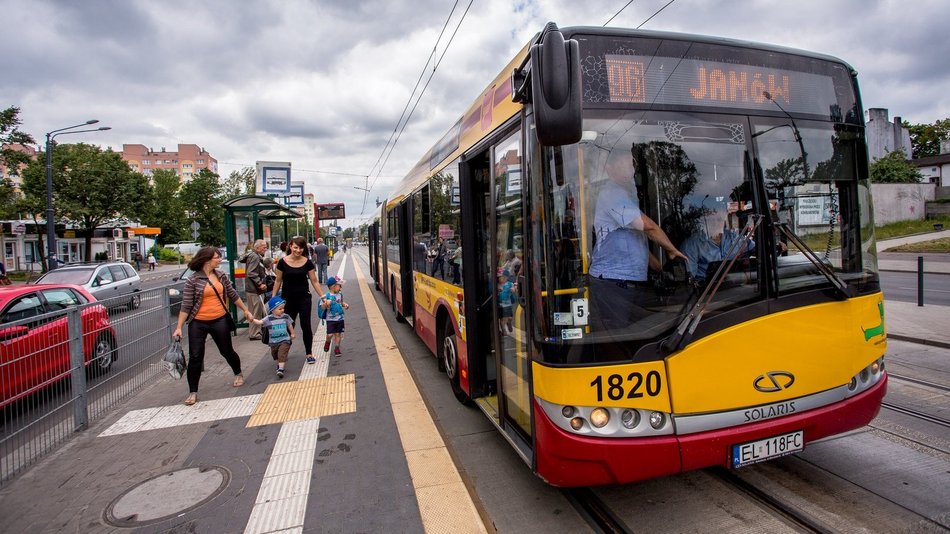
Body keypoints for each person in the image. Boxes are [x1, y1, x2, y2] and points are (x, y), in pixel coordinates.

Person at [588, 149, 687, 331]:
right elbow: (648, 226)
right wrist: (671, 250)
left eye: (631, 165)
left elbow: (634, 240)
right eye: (625, 165)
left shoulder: (627, 195)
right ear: (610, 169)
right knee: (621, 337)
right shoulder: (611, 194)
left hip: (628, 282)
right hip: (613, 282)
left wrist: (659, 269)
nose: (631, 170)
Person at [172, 246, 255, 406]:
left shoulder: (221, 276)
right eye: (217, 257)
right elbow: (186, 305)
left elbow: (232, 294)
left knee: (227, 351)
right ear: (207, 259)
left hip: (219, 319)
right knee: (195, 357)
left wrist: (245, 310)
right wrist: (179, 327)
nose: (219, 260)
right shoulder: (193, 280)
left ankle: (238, 373)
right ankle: (193, 391)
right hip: (198, 322)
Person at [272, 236, 325, 364]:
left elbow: (314, 281)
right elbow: (278, 280)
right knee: (288, 326)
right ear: (290, 246)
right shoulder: (282, 262)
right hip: (287, 299)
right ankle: (282, 353)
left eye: (301, 248)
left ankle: (309, 353)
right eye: (296, 247)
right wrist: (273, 299)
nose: (298, 250)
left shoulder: (307, 262)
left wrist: (323, 296)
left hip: (304, 298)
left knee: (306, 325)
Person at [680, 208, 753, 283]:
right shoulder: (691, 245)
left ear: (724, 221)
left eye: (719, 219)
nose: (716, 224)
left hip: (736, 286)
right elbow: (690, 280)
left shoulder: (733, 237)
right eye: (711, 220)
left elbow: (754, 249)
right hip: (707, 289)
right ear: (704, 221)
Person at [262, 295, 295, 379]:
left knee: (282, 353)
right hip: (273, 342)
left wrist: (292, 333)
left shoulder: (285, 316)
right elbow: (260, 322)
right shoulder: (269, 318)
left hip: (284, 339)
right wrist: (252, 320)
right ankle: (279, 364)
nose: (282, 310)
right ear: (273, 310)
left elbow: (290, 325)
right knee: (275, 354)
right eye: (280, 309)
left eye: (283, 308)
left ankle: (281, 369)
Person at [243, 239, 269, 340]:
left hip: (252, 289)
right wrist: (260, 283)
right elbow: (251, 273)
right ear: (257, 248)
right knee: (255, 311)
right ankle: (254, 333)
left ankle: (256, 331)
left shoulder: (253, 255)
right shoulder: (255, 257)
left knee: (256, 311)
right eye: (264, 247)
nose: (265, 249)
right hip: (254, 290)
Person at [320, 276, 349, 356]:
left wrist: (345, 304)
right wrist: (326, 304)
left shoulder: (340, 295)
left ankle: (337, 348)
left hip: (340, 318)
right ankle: (328, 341)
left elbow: (340, 303)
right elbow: (322, 307)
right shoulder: (327, 296)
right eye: (339, 285)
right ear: (333, 286)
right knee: (329, 334)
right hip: (330, 320)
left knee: (338, 334)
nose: (340, 287)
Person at [497, 269, 515, 335]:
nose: (501, 279)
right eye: (499, 277)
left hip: (508, 304)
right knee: (503, 319)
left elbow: (514, 288)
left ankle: (509, 322)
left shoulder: (509, 284)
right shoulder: (496, 285)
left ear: (506, 278)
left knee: (510, 318)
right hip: (500, 305)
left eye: (503, 277)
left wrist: (513, 289)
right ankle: (503, 330)